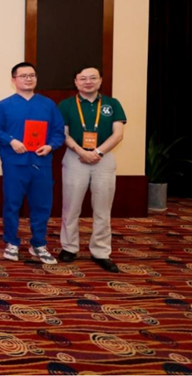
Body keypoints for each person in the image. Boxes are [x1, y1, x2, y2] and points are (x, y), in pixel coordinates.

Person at [0, 62, 64, 264]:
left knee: (41, 205)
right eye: (23, 76)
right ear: (13, 80)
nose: (28, 79)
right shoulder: (4, 105)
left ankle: (38, 243)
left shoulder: (48, 105)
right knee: (12, 204)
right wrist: (11, 141)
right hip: (14, 164)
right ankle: (11, 242)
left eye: (32, 75)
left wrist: (50, 146)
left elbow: (58, 132)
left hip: (41, 163)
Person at [58, 66, 126, 273]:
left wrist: (97, 152)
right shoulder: (66, 105)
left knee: (103, 208)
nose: (88, 82)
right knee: (71, 207)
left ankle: (101, 251)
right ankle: (69, 247)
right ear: (76, 82)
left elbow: (118, 134)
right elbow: (63, 133)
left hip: (103, 159)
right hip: (75, 157)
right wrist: (81, 151)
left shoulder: (112, 104)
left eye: (92, 78)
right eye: (83, 78)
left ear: (100, 80)